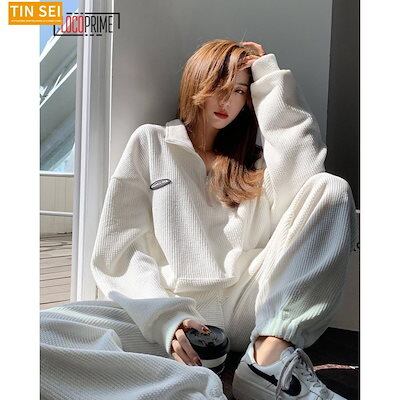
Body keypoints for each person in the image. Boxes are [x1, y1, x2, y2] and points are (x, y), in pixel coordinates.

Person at [40, 39, 358, 400]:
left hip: (252, 304)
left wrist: (268, 79)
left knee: (332, 188)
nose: (227, 101)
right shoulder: (151, 143)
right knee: (38, 334)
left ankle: (267, 359)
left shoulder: (257, 163)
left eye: (239, 91)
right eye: (219, 85)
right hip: (176, 311)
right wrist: (168, 318)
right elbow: (120, 250)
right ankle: (192, 390)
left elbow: (308, 181)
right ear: (197, 80)